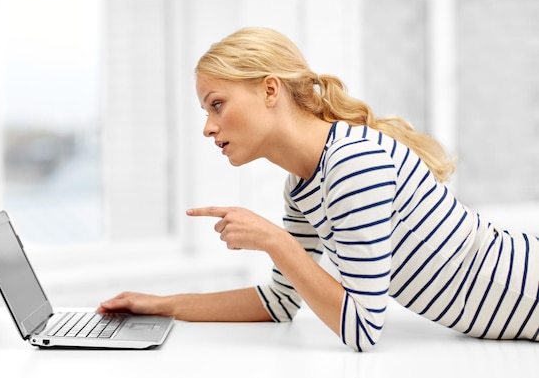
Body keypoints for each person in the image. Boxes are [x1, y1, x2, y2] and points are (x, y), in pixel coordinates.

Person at [98, 27, 539, 351]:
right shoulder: (305, 184)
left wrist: (273, 239)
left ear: (270, 90)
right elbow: (278, 302)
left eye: (217, 105)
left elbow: (363, 329)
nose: (208, 128)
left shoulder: (351, 163)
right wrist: (160, 304)